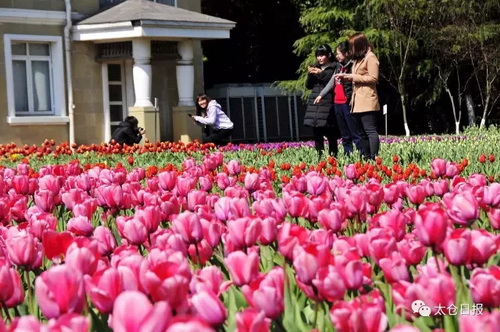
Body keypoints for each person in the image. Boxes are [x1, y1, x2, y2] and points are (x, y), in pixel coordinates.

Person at [333, 33, 380, 160]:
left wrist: (352, 77)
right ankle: (366, 157)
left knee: (369, 130)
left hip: (367, 99)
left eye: (352, 46)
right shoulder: (358, 59)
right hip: (357, 100)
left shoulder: (371, 58)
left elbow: (373, 78)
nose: (351, 49)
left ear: (359, 45)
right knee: (361, 133)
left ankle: (373, 157)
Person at [315, 41, 363, 156]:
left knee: (355, 132)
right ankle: (348, 156)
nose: (337, 56)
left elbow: (355, 85)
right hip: (337, 103)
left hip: (347, 103)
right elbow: (332, 82)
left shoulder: (353, 66)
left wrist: (351, 98)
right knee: (345, 134)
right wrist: (321, 94)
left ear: (346, 53)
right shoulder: (338, 67)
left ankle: (363, 156)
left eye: (339, 53)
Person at [303, 44, 340, 161]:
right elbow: (308, 86)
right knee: (317, 134)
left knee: (330, 134)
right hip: (315, 104)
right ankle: (320, 159)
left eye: (322, 55)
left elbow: (330, 83)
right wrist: (310, 74)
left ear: (329, 55)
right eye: (318, 55)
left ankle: (333, 159)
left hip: (328, 102)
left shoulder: (335, 67)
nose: (320, 58)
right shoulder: (315, 67)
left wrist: (320, 73)